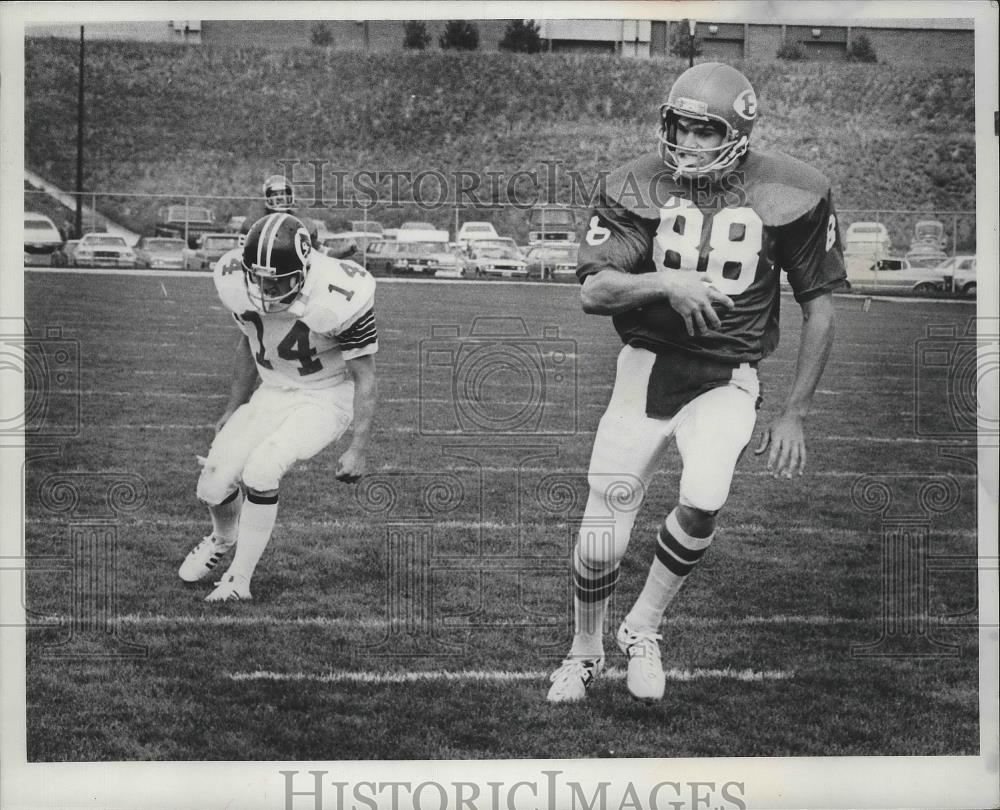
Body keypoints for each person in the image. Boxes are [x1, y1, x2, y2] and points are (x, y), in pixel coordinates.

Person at [547, 62, 845, 702]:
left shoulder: (791, 191)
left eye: (703, 131)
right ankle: (584, 649)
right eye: (678, 126)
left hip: (729, 376)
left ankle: (644, 626)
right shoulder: (636, 184)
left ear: (737, 134)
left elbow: (819, 303)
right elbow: (595, 291)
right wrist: (666, 282)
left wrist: (794, 412)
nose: (686, 142)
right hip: (647, 369)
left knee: (705, 493)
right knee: (603, 540)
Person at [179, 212, 379, 601]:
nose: (267, 288)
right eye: (261, 278)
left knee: (261, 471)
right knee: (213, 483)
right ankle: (223, 538)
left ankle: (239, 581)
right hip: (272, 390)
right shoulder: (237, 281)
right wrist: (232, 406)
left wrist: (357, 449)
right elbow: (249, 343)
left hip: (324, 395)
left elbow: (366, 377)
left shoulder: (339, 294)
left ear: (304, 270)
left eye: (278, 280)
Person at [240, 174, 320, 247]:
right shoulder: (254, 222)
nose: (279, 198)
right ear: (267, 198)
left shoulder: (303, 222)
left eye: (282, 193)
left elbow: (314, 250)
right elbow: (243, 251)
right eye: (274, 194)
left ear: (290, 196)